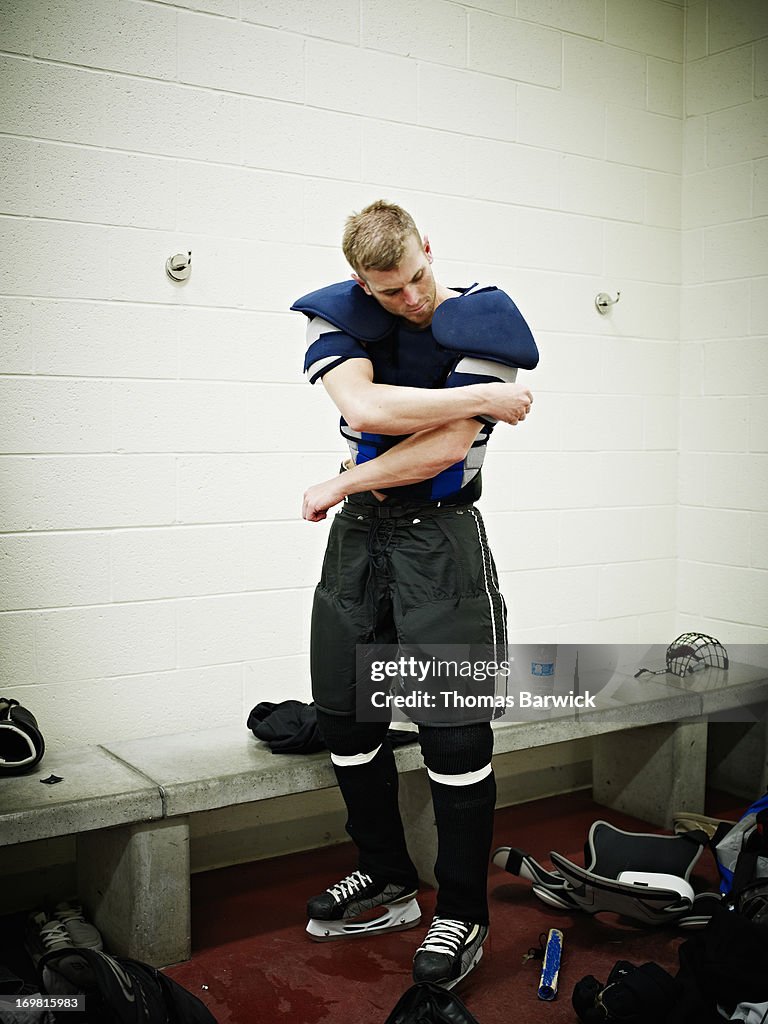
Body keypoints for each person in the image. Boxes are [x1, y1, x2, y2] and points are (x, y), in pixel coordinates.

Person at [291, 200, 537, 988]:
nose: (413, 301)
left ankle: (460, 910)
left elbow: (443, 446)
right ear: (364, 281)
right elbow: (364, 406)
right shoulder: (335, 318)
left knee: (454, 733)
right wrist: (476, 398)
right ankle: (389, 877)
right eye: (391, 292)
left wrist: (345, 478)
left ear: (429, 248)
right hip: (357, 541)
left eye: (418, 278)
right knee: (344, 713)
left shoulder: (485, 319)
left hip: (439, 540)